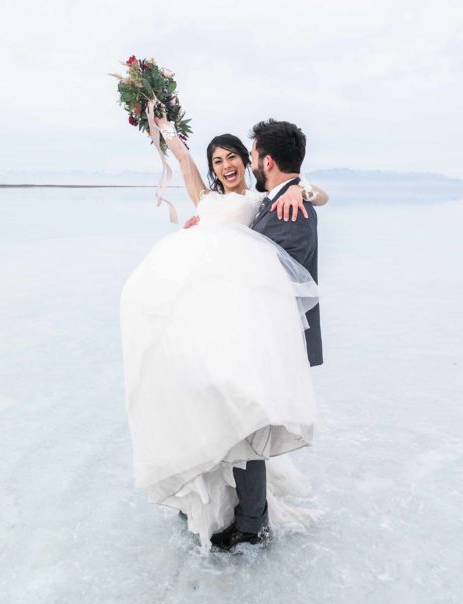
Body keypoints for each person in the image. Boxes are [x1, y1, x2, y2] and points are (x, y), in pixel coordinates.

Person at [120, 108, 327, 551]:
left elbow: (302, 198)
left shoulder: (260, 204)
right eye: (219, 160)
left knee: (238, 411)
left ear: (256, 162)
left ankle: (252, 520)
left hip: (240, 322)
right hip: (201, 318)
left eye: (236, 155)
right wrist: (160, 126)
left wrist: (306, 187)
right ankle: (212, 502)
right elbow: (184, 162)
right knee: (204, 406)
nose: (229, 164)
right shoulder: (209, 200)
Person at [209, 119, 323, 551]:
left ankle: (252, 526)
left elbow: (275, 282)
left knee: (248, 427)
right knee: (240, 424)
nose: (250, 162)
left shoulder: (291, 211)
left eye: (252, 155)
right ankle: (248, 516)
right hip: (254, 337)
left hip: (269, 343)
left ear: (266, 161)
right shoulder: (278, 202)